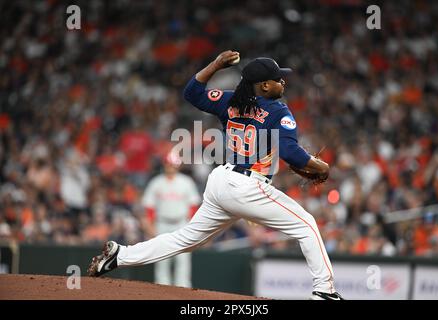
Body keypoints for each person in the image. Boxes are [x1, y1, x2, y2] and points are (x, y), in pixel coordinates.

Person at [88, 50, 344, 300]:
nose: (283, 81)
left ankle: (120, 256)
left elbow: (191, 92)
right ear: (265, 86)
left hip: (221, 181)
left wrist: (216, 64)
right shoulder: (279, 111)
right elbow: (291, 152)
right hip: (248, 185)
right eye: (278, 78)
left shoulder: (231, 100)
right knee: (307, 225)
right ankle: (324, 291)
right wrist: (321, 167)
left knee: (185, 239)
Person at [141, 151, 200, 287]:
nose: (171, 167)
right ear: (165, 164)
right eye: (169, 164)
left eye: (173, 165)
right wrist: (150, 225)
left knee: (183, 259)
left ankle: (183, 289)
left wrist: (191, 225)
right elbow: (149, 206)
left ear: (178, 166)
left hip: (181, 223)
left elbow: (193, 205)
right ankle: (161, 290)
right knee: (162, 258)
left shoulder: (186, 182)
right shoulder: (156, 182)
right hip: (162, 224)